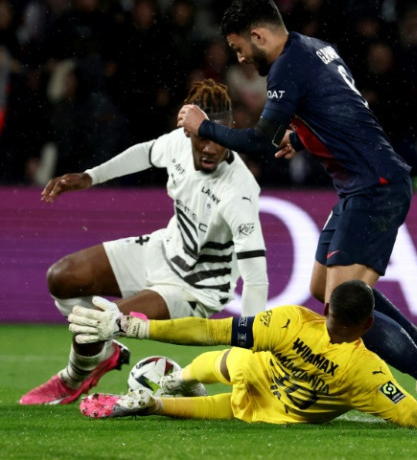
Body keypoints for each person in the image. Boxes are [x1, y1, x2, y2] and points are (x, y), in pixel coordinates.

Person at [177, 0, 417, 408]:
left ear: (257, 35)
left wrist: (206, 127)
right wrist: (302, 136)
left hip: (375, 185)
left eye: (239, 48)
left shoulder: (286, 67)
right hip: (359, 185)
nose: (239, 58)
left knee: (342, 309)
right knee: (321, 288)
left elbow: (259, 140)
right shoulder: (314, 48)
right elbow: (341, 108)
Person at [20, 79, 269, 405]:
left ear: (229, 130)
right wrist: (91, 176)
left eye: (218, 136)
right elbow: (145, 153)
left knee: (98, 322)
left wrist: (245, 356)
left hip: (194, 288)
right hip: (160, 249)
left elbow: (255, 278)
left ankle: (73, 376)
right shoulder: (177, 144)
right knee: (62, 277)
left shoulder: (238, 190)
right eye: (202, 137)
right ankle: (101, 352)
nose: (210, 147)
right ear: (188, 130)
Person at [68, 280, 417, 428]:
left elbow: (210, 330)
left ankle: (165, 388)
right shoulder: (365, 369)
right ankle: (158, 398)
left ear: (326, 308)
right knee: (227, 401)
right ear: (369, 327)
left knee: (227, 360)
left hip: (255, 371)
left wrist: (131, 325)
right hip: (277, 411)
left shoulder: (290, 320)